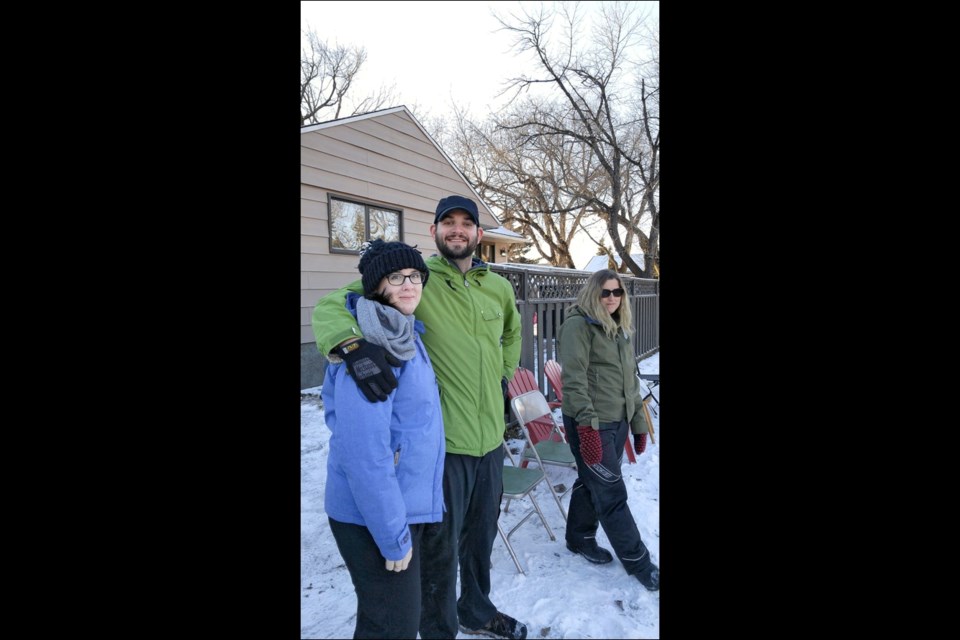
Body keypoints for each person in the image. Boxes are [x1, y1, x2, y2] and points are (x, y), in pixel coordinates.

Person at [312, 195, 526, 640]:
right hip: (442, 448)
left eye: (467, 223)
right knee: (439, 555)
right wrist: (351, 346)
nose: (457, 230)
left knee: (481, 539)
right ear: (434, 232)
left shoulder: (498, 287)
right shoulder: (415, 281)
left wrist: (504, 378)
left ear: (479, 235)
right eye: (448, 222)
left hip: (490, 439)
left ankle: (477, 608)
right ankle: (438, 627)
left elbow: (512, 331)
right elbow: (333, 305)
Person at [323, 239, 446, 638]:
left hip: (400, 506)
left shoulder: (406, 333)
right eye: (396, 277)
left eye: (414, 276)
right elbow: (364, 456)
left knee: (384, 621)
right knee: (392, 627)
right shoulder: (368, 349)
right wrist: (393, 537)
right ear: (377, 286)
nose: (409, 284)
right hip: (373, 516)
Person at [556, 268, 660, 592]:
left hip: (617, 423)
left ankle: (579, 537)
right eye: (605, 292)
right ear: (593, 293)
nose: (612, 297)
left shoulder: (619, 329)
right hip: (591, 424)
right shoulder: (578, 327)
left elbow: (631, 382)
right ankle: (639, 563)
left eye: (617, 292)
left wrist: (639, 424)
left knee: (591, 482)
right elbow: (573, 381)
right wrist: (587, 429)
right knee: (612, 494)